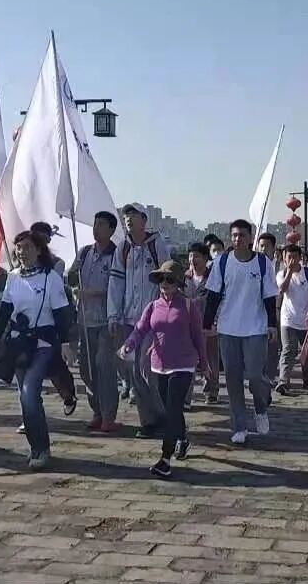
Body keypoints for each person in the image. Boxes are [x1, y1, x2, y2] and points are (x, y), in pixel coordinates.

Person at [0, 231, 75, 470]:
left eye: (27, 247)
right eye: (18, 247)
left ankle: (42, 449)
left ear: (38, 250)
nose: (21, 252)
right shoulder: (13, 277)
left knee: (29, 391)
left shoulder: (50, 278)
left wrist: (65, 343)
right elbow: (5, 311)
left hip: (44, 343)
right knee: (25, 397)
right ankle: (36, 446)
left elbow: (61, 314)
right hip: (19, 344)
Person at [120, 261, 207, 478]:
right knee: (171, 410)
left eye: (169, 279)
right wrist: (129, 344)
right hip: (158, 365)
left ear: (178, 283)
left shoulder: (188, 306)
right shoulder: (152, 306)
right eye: (161, 279)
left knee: (173, 409)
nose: (164, 284)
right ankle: (182, 438)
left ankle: (165, 459)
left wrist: (205, 366)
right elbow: (140, 329)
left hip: (183, 365)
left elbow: (198, 337)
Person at [202, 219, 279, 445]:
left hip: (255, 328)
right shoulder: (222, 262)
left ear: (250, 237)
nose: (238, 239)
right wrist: (207, 324)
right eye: (234, 235)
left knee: (255, 375)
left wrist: (272, 324)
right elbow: (213, 295)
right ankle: (239, 426)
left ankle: (261, 408)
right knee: (233, 380)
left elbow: (269, 296)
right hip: (228, 329)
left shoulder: (263, 263)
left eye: (242, 235)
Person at [108, 203, 172, 438]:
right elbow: (116, 282)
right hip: (129, 319)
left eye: (133, 215)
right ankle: (148, 421)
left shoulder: (156, 245)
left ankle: (165, 416)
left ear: (144, 220)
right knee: (135, 372)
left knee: (147, 368)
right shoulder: (123, 247)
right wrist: (113, 314)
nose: (128, 219)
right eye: (126, 216)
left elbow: (169, 278)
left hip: (153, 319)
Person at [67, 211, 120, 431]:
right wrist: (74, 275)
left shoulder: (117, 255)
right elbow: (71, 279)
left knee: (103, 366)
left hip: (106, 321)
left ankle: (108, 415)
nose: (96, 228)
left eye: (101, 224)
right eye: (95, 224)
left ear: (111, 229)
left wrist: (93, 293)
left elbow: (118, 288)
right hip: (85, 319)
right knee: (86, 369)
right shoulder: (85, 252)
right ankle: (96, 410)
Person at [29, 221, 80, 418]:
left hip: (51, 322)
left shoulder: (57, 263)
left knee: (54, 365)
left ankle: (68, 394)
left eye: (43, 238)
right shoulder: (21, 263)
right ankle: (30, 412)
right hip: (28, 326)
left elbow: (54, 289)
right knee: (28, 370)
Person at [276, 244, 308, 394]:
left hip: (306, 319)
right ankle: (283, 381)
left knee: (307, 352)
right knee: (288, 350)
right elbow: (282, 289)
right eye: (289, 257)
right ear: (284, 259)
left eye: (295, 257)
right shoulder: (281, 274)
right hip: (288, 319)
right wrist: (290, 272)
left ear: (300, 258)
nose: (292, 260)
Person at [185, 243, 220, 403]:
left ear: (206, 258)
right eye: (191, 256)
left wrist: (215, 321)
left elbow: (218, 301)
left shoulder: (213, 278)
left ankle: (211, 390)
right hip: (188, 326)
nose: (193, 259)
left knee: (210, 360)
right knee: (189, 360)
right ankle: (186, 396)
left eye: (197, 256)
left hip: (208, 324)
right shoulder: (184, 278)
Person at [256, 233, 281, 395]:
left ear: (273, 248)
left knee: (273, 347)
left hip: (277, 311)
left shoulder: (280, 266)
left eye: (267, 246)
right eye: (261, 246)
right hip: (258, 312)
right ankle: (259, 377)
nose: (263, 249)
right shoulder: (254, 265)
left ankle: (270, 377)